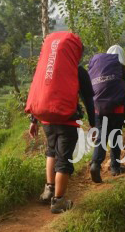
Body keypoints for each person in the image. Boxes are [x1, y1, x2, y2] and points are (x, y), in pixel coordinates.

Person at [28, 36, 95, 214]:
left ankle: (48, 190)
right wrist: (94, 125)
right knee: (63, 159)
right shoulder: (78, 71)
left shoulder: (45, 70)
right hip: (67, 121)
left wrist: (33, 121)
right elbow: (88, 99)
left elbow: (37, 92)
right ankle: (59, 201)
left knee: (51, 152)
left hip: (46, 120)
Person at [89, 44, 125, 183]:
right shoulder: (122, 68)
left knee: (102, 137)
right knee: (115, 136)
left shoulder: (98, 68)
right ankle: (115, 167)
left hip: (98, 109)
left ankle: (95, 164)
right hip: (116, 109)